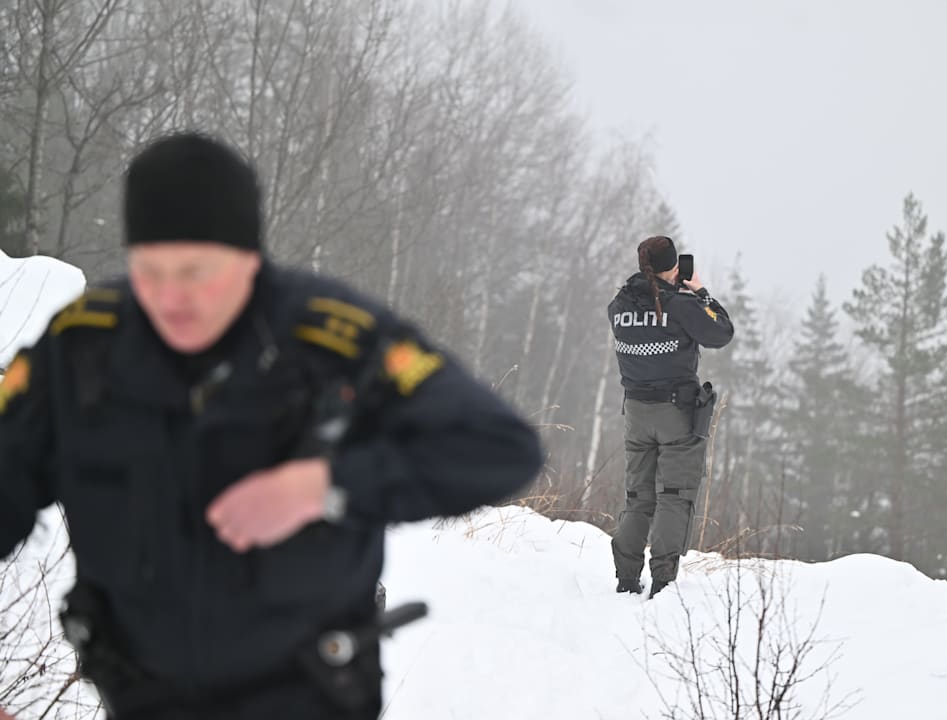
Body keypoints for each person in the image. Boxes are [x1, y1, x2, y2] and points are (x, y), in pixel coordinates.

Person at [0, 132, 543, 720]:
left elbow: (500, 448)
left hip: (305, 692)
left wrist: (321, 488)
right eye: (150, 272)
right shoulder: (85, 347)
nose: (172, 298)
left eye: (197, 272)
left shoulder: (331, 340)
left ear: (250, 259)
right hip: (141, 694)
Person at [607, 235, 734, 599]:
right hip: (676, 413)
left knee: (638, 497)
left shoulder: (618, 305)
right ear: (673, 267)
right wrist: (702, 293)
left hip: (635, 412)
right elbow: (721, 332)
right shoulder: (679, 305)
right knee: (674, 496)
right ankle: (662, 581)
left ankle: (626, 578)